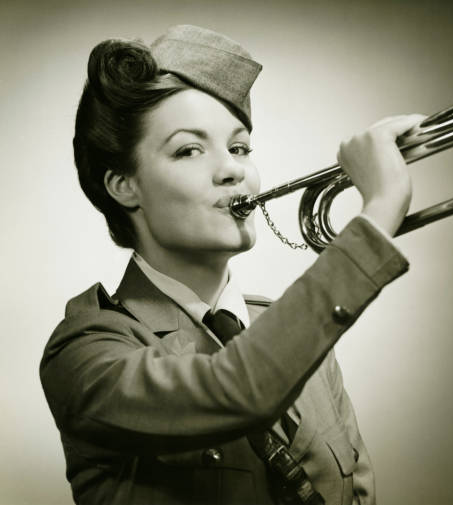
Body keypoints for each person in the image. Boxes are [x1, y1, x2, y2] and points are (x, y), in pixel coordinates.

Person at [40, 24, 421, 505]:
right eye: (189, 150)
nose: (233, 169)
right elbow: (237, 388)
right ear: (123, 185)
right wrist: (379, 212)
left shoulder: (293, 330)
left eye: (239, 148)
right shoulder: (85, 352)